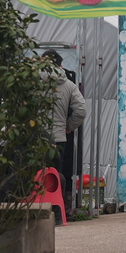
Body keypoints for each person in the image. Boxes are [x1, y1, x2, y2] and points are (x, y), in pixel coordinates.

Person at [43, 50, 86, 220]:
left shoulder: (32, 80)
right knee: (55, 176)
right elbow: (81, 110)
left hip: (35, 138)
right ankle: (56, 214)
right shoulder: (68, 84)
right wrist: (69, 126)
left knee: (34, 175)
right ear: (61, 65)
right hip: (58, 138)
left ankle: (35, 210)